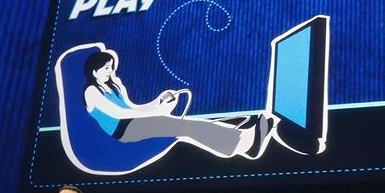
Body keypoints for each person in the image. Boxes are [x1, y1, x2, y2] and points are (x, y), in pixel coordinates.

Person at [82, 50, 272, 159]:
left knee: (182, 125)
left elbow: (132, 109)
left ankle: (243, 142)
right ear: (94, 71)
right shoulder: (91, 92)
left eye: (111, 67)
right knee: (181, 126)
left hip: (133, 123)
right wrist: (158, 112)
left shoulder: (115, 85)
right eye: (106, 68)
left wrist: (157, 102)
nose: (111, 71)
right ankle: (244, 144)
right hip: (122, 132)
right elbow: (118, 114)